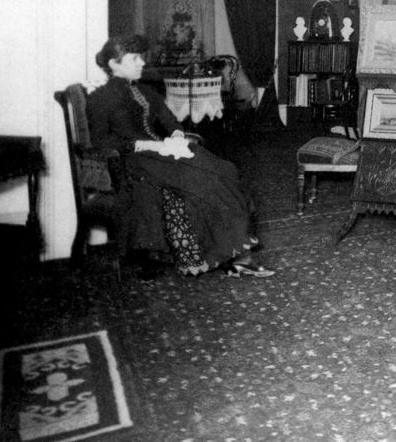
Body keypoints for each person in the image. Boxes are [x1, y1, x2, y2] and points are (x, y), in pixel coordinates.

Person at [87, 35, 274, 278]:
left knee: (225, 170)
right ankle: (237, 258)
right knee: (207, 182)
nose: (142, 63)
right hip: (135, 161)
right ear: (114, 64)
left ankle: (236, 255)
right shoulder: (99, 98)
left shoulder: (146, 90)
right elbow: (102, 141)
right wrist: (147, 146)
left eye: (141, 57)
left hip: (163, 152)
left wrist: (176, 134)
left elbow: (169, 120)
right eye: (134, 59)